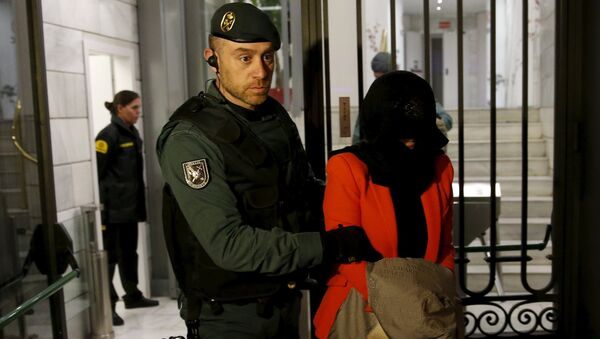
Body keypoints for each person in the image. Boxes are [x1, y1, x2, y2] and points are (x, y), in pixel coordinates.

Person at [156, 3, 380, 339]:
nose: (261, 72)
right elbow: (228, 244)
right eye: (244, 57)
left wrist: (360, 195)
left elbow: (302, 190)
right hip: (229, 316)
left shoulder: (272, 115)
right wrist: (327, 245)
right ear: (213, 58)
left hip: (284, 301)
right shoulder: (190, 138)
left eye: (268, 57)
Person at [314, 71, 459, 338]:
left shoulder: (439, 167)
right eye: (401, 135)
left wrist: (434, 296)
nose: (411, 143)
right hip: (362, 310)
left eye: (417, 133)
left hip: (428, 313)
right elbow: (346, 255)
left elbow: (445, 248)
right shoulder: (347, 167)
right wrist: (404, 306)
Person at [95, 90, 159, 326]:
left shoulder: (132, 133)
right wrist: (104, 207)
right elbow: (98, 175)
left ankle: (132, 295)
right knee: (110, 259)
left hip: (130, 208)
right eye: (134, 108)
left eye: (139, 108)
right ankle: (108, 306)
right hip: (112, 211)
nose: (138, 113)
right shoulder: (108, 135)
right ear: (119, 108)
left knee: (129, 255)